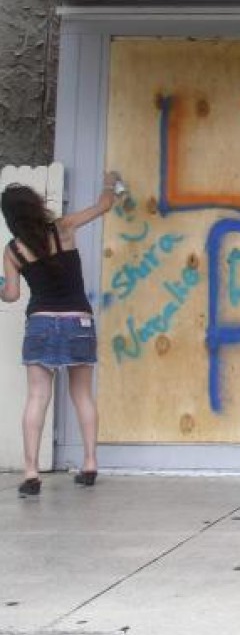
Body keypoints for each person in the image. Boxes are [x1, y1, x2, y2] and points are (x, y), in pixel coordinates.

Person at [1, 174, 117, 497]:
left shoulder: (13, 251)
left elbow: (10, 295)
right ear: (36, 207)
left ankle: (30, 473)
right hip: (78, 321)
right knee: (81, 394)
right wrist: (109, 182)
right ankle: (90, 463)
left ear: (11, 219)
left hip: (40, 323)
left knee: (37, 397)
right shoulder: (63, 227)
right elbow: (104, 206)